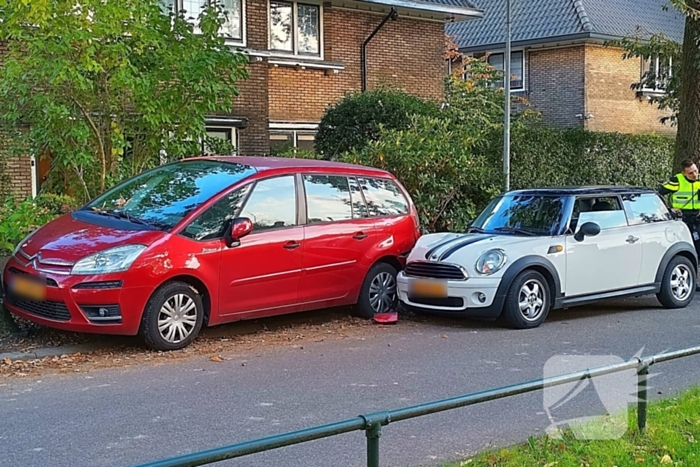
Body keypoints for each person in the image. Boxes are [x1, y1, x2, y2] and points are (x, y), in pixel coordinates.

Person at [659, 159, 700, 289]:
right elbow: (658, 193)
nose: (694, 175)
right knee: (688, 248)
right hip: (682, 219)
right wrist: (668, 209)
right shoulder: (677, 181)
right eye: (690, 173)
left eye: (695, 171)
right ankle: (691, 279)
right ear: (683, 173)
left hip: (698, 217)